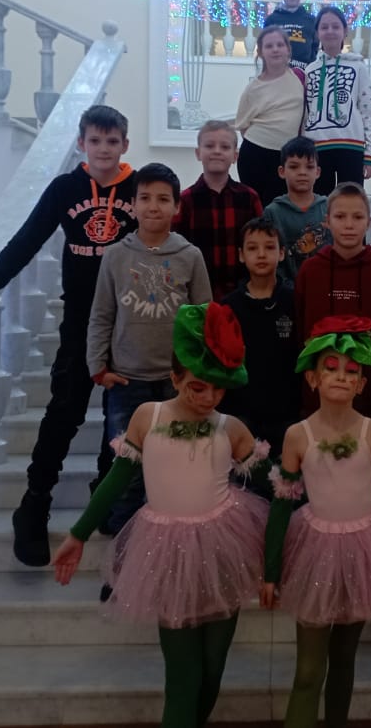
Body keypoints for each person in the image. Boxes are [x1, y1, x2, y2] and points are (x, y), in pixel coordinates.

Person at [54, 303, 269, 728]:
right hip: (168, 553)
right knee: (184, 675)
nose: (208, 399)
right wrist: (78, 534)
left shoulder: (231, 428)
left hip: (223, 550)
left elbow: (275, 487)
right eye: (197, 387)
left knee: (211, 671)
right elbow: (116, 481)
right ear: (174, 377)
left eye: (218, 390)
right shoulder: (147, 417)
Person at [0, 104, 137, 568]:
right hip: (80, 322)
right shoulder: (65, 188)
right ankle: (34, 503)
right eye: (95, 141)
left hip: (130, 321)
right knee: (65, 411)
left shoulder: (138, 188)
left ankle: (105, 495)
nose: (103, 149)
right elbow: (28, 238)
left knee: (121, 414)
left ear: (124, 145)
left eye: (112, 141)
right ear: (81, 144)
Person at [262, 316, 371, 728]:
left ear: (361, 384)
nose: (341, 376)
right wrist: (270, 571)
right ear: (313, 378)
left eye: (351, 371)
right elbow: (281, 507)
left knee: (343, 660)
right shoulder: (298, 435)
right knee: (309, 670)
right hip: (315, 553)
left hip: (363, 553)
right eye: (331, 367)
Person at [88, 162, 213, 535]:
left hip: (177, 384)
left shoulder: (190, 256)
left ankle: (168, 547)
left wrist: (199, 371)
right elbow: (101, 315)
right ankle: (124, 552)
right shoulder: (116, 256)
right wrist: (98, 366)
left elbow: (205, 318)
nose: (153, 206)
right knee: (127, 474)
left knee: (175, 470)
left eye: (162, 199)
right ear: (133, 204)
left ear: (177, 206)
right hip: (127, 382)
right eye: (145, 198)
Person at [294, 182, 371, 419]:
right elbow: (300, 329)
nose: (349, 225)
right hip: (318, 392)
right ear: (327, 221)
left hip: (370, 391)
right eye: (340, 216)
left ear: (369, 222)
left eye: (357, 217)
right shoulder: (310, 271)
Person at [220, 216, 299, 491]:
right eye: (252, 248)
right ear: (241, 255)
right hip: (242, 416)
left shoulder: (295, 301)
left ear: (282, 252)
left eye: (269, 247)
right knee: (245, 493)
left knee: (286, 492)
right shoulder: (228, 307)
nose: (261, 254)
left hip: (288, 416)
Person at [174, 120, 263, 301]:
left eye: (225, 147)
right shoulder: (185, 200)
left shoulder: (250, 198)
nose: (217, 151)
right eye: (209, 146)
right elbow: (177, 249)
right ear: (198, 153)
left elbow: (260, 244)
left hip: (243, 294)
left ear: (235, 156)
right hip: (198, 294)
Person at [302, 7, 371, 194]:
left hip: (351, 147)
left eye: (335, 26)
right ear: (317, 33)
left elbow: (368, 110)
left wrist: (370, 154)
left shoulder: (358, 67)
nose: (330, 31)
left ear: (345, 31)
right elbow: (305, 112)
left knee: (350, 200)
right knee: (320, 202)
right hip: (317, 148)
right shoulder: (309, 70)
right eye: (324, 27)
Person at [235, 27, 307, 206]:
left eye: (280, 45)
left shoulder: (300, 77)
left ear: (288, 49)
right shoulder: (253, 88)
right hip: (255, 155)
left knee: (280, 210)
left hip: (286, 157)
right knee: (257, 210)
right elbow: (243, 125)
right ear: (260, 52)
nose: (275, 49)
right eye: (269, 46)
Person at [263, 136, 331, 284]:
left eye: (309, 167)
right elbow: (270, 257)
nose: (302, 172)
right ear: (282, 171)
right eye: (294, 167)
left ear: (318, 172)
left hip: (327, 286)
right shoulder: (272, 212)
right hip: (286, 291)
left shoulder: (330, 208)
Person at [262, 0, 318, 70]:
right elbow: (265, 50)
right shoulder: (271, 21)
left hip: (304, 76)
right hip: (277, 75)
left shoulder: (312, 21)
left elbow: (315, 51)